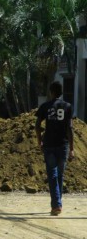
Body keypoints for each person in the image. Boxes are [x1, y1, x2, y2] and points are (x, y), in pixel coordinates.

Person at [36, 81, 74, 216]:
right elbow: (70, 128)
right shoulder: (68, 106)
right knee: (59, 174)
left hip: (49, 145)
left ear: (51, 92)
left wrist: (39, 141)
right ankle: (57, 203)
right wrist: (72, 149)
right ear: (61, 92)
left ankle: (56, 205)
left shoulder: (45, 106)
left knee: (52, 174)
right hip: (63, 145)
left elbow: (37, 125)